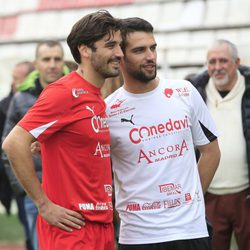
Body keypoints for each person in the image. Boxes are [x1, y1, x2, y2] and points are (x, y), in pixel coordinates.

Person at [2, 10, 123, 250]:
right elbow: (13, 143)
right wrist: (43, 204)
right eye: (110, 45)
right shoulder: (64, 92)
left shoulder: (96, 96)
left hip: (101, 225)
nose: (119, 53)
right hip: (72, 232)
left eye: (119, 45)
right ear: (85, 50)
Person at [105, 17, 220, 250]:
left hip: (190, 230)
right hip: (138, 236)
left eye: (153, 48)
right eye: (139, 50)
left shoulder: (184, 92)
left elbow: (211, 152)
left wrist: (192, 200)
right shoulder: (108, 110)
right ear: (121, 56)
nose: (150, 56)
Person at [1, 40, 66, 250]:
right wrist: (25, 190)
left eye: (57, 59)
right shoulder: (20, 100)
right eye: (46, 59)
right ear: (36, 63)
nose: (52, 64)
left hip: (72, 192)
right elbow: (7, 148)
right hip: (35, 194)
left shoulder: (78, 93)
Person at [190, 39, 250, 250]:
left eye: (223, 61)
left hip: (246, 194)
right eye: (212, 61)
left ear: (237, 62)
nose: (217, 67)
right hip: (210, 195)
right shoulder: (194, 91)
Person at [0, 61, 35, 250]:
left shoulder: (40, 98)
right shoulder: (6, 104)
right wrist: (19, 186)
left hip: (45, 185)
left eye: (17, 78)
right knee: (31, 235)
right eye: (12, 77)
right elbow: (6, 148)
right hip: (23, 185)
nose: (13, 82)